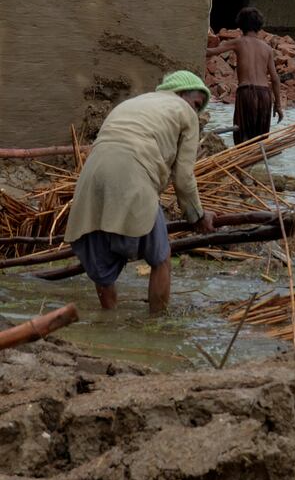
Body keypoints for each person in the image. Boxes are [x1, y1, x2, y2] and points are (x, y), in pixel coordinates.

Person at [65, 71, 217, 314]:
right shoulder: (184, 111)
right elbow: (184, 177)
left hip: (92, 174)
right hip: (134, 173)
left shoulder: (133, 103)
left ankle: (108, 321)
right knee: (161, 257)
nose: (196, 112)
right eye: (196, 104)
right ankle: (157, 325)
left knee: (102, 270)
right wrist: (197, 216)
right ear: (179, 94)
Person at [206, 7, 283, 144]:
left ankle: (243, 164)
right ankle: (258, 163)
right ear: (259, 26)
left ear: (240, 25)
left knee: (243, 138)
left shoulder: (238, 42)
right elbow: (275, 79)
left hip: (246, 92)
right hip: (265, 95)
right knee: (260, 140)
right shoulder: (267, 48)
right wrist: (278, 105)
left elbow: (211, 52)